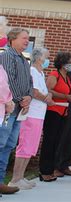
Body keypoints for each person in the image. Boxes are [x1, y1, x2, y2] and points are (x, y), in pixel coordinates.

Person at [9, 48, 54, 190]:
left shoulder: (41, 73)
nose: (48, 59)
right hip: (31, 113)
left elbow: (46, 91)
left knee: (31, 147)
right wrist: (46, 99)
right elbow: (33, 91)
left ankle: (21, 177)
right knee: (25, 145)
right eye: (46, 57)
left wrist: (49, 96)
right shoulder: (32, 71)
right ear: (39, 58)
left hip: (40, 114)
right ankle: (15, 179)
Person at [0, 28, 33, 195]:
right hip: (9, 108)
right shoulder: (7, 56)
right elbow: (8, 81)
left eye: (28, 39)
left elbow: (30, 82)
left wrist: (29, 96)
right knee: (1, 143)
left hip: (20, 109)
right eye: (24, 38)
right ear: (12, 39)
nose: (27, 41)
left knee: (10, 145)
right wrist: (21, 98)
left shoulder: (23, 59)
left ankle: (1, 182)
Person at [39, 51, 71, 182]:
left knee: (56, 142)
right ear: (62, 63)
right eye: (70, 63)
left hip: (63, 112)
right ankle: (44, 171)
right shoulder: (54, 74)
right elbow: (48, 90)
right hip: (53, 111)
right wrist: (66, 97)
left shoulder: (67, 77)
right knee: (49, 142)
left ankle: (51, 170)